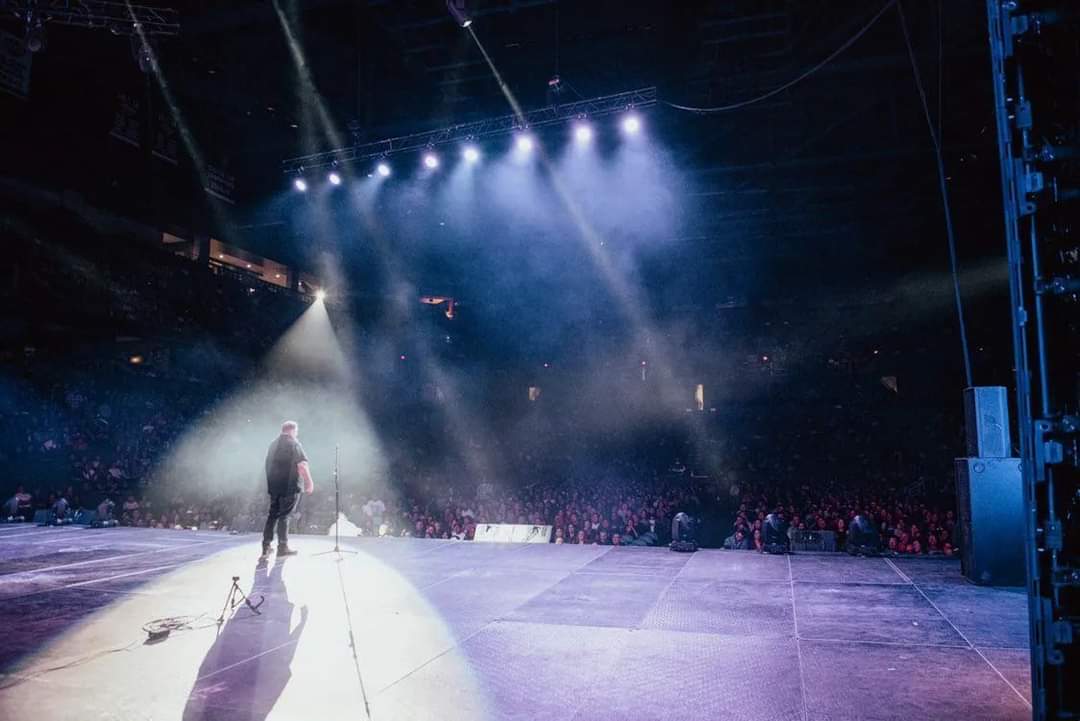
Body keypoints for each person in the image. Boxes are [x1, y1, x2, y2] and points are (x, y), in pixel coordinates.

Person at [262, 420, 314, 559]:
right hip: (289, 487)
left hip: (274, 487)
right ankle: (282, 547)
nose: (297, 434)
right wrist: (309, 482)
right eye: (296, 431)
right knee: (284, 516)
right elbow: (302, 465)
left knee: (272, 515)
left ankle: (266, 547)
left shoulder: (273, 444)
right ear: (292, 430)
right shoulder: (294, 443)